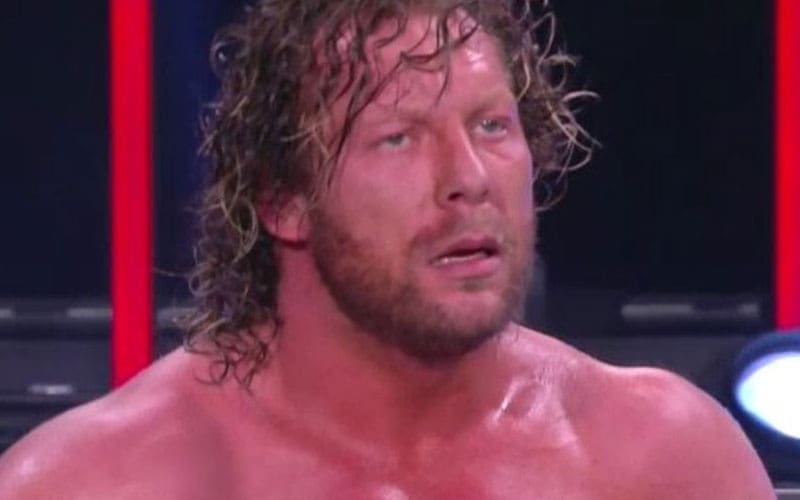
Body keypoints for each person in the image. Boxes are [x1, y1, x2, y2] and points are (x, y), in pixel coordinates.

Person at [0, 1, 774, 498]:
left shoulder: (662, 462)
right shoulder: (97, 482)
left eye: (492, 127)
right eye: (399, 138)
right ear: (283, 200)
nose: (468, 179)